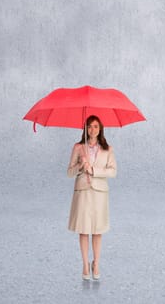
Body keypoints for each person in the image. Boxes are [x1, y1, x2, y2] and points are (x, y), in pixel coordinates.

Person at [67, 115, 117, 280]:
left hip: (99, 193)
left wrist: (94, 171)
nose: (92, 130)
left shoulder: (107, 149)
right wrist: (81, 166)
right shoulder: (78, 147)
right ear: (85, 128)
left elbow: (113, 171)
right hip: (82, 192)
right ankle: (85, 263)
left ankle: (96, 262)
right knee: (83, 229)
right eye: (89, 126)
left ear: (100, 128)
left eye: (96, 126)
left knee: (97, 230)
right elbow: (69, 172)